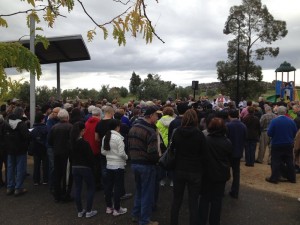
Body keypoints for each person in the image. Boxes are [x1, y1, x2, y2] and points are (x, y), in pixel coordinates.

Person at [170, 109, 207, 225]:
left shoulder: (177, 132)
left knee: (176, 200)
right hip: (195, 171)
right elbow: (204, 153)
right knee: (193, 202)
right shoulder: (199, 134)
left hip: (179, 169)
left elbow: (172, 150)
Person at [128, 106, 160, 225]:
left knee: (140, 190)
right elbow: (152, 153)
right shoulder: (150, 131)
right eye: (156, 115)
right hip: (146, 165)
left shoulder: (134, 127)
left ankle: (135, 214)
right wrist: (158, 160)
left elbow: (129, 146)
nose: (157, 118)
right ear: (150, 116)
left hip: (134, 163)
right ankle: (145, 220)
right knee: (147, 193)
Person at [199, 117, 232, 225]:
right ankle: (214, 222)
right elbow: (229, 158)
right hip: (221, 174)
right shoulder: (227, 142)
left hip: (206, 174)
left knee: (204, 198)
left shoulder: (205, 140)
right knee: (217, 200)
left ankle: (201, 221)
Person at [101, 119, 128, 216]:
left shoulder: (105, 137)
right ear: (117, 127)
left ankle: (109, 207)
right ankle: (117, 209)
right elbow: (121, 153)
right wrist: (126, 157)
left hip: (109, 164)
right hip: (118, 165)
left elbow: (103, 152)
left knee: (108, 186)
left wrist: (110, 154)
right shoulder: (118, 138)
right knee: (117, 187)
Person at [70, 121, 97, 218]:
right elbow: (90, 157)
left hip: (75, 167)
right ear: (82, 131)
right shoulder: (84, 143)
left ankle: (80, 210)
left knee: (77, 188)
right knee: (90, 188)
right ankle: (89, 210)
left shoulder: (72, 142)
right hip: (85, 167)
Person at [266, 106, 297, 184]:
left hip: (277, 143)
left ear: (278, 112)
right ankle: (292, 178)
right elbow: (294, 132)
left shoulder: (274, 121)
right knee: (289, 161)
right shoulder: (291, 121)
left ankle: (274, 178)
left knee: (275, 161)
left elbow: (269, 133)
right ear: (286, 112)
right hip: (288, 144)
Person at [48, 109, 73, 202]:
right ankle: (65, 195)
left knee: (57, 174)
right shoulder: (70, 127)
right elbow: (73, 141)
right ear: (67, 117)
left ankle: (57, 194)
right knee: (66, 175)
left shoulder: (54, 127)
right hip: (67, 154)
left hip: (56, 153)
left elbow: (49, 141)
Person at [5, 107, 30, 196]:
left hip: (9, 149)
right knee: (20, 169)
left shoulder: (6, 122)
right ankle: (18, 188)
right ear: (20, 114)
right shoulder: (21, 124)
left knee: (10, 168)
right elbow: (26, 136)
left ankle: (10, 187)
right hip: (20, 149)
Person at [226, 109, 247, 199]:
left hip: (228, 152)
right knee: (236, 172)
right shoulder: (243, 126)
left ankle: (222, 189)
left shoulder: (228, 125)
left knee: (225, 170)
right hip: (238, 151)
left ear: (229, 115)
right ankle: (235, 191)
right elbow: (245, 138)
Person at [83, 107, 102, 190]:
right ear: (99, 114)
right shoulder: (100, 123)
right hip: (97, 147)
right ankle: (97, 184)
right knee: (97, 167)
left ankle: (90, 183)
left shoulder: (87, 122)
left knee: (90, 166)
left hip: (88, 147)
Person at [30, 112, 48, 185]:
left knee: (36, 165)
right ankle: (45, 180)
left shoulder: (33, 129)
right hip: (44, 148)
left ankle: (36, 180)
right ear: (42, 120)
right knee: (45, 165)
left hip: (36, 149)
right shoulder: (46, 128)